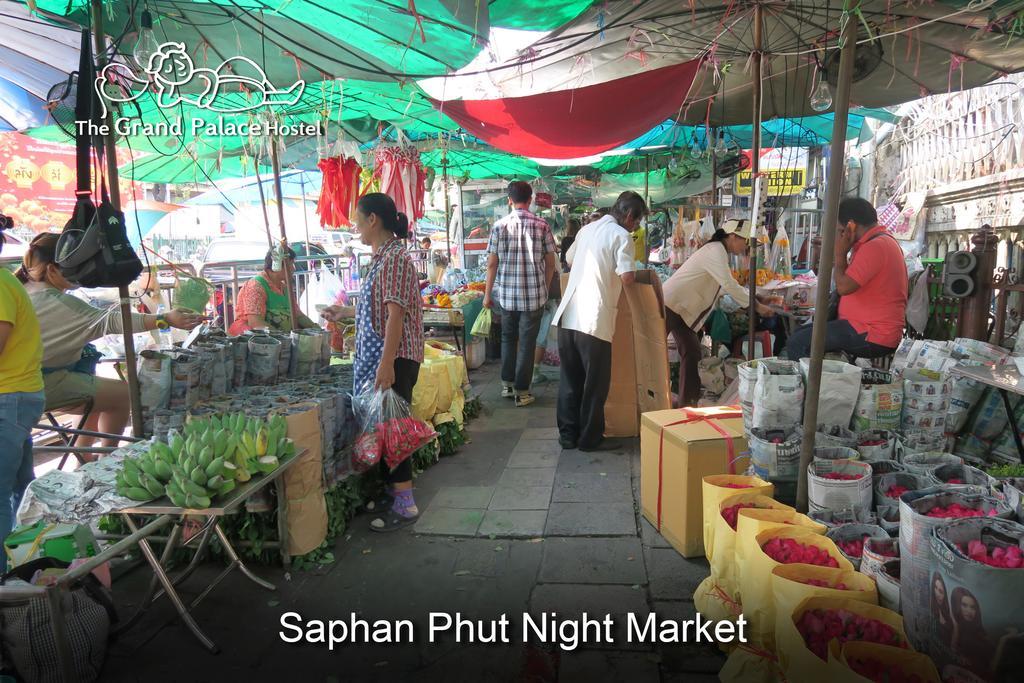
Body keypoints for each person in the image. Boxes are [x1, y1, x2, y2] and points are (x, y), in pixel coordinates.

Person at [17, 233, 205, 449]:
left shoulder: (23, 289)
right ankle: (107, 458)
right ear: (51, 270)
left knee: (95, 394)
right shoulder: (58, 302)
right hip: (38, 383)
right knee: (122, 394)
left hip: (29, 380)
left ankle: (83, 457)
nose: (81, 274)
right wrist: (165, 319)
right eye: (74, 268)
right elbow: (116, 322)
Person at [321, 193, 424, 531]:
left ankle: (405, 504)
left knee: (394, 430)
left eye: (357, 220)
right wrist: (345, 312)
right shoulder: (382, 257)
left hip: (393, 357)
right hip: (381, 356)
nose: (354, 227)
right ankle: (390, 494)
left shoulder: (394, 258)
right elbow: (379, 307)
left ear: (373, 220)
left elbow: (395, 315)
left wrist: (387, 363)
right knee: (382, 427)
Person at [553, 191, 647, 451]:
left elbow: (570, 259)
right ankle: (589, 439)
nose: (635, 227)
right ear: (629, 216)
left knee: (570, 379)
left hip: (568, 315)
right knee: (595, 383)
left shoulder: (588, 229)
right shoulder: (621, 236)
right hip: (593, 321)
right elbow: (628, 277)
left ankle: (568, 436)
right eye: (637, 222)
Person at [661, 219, 777, 407]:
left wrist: (759, 299)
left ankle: (687, 403)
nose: (745, 246)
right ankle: (655, 398)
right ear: (732, 236)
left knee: (692, 352)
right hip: (672, 305)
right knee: (657, 353)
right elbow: (729, 284)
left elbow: (723, 287)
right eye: (744, 241)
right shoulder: (715, 251)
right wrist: (756, 306)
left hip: (682, 310)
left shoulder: (718, 252)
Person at [785, 198, 908, 360]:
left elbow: (843, 286)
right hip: (861, 326)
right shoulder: (876, 243)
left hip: (873, 332)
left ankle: (809, 385)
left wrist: (840, 253)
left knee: (799, 342)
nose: (838, 234)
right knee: (801, 333)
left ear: (850, 226)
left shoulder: (876, 247)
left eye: (839, 229)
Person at [483, 181, 557, 407]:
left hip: (506, 297)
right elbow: (551, 263)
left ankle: (507, 384)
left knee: (508, 338)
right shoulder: (542, 225)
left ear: (509, 200)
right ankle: (523, 392)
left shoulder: (498, 227)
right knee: (527, 343)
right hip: (533, 297)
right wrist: (543, 288)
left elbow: (492, 264)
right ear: (531, 199)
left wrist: (487, 294)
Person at [0, 218, 44, 570]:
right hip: (16, 395)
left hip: (9, 397)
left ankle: (3, 578)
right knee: (20, 487)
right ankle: (25, 563)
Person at [228, 246, 319, 336]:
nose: (294, 269)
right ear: (277, 265)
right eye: (291, 264)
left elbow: (298, 315)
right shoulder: (255, 286)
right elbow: (256, 323)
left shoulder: (284, 288)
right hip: (255, 339)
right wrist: (284, 337)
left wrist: (315, 328)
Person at [951, 586, 995, 676]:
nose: (969, 611)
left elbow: (991, 665)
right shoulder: (955, 627)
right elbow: (952, 650)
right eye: (964, 605)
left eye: (972, 607)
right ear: (958, 605)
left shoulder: (980, 632)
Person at [932, 572, 954, 649]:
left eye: (941, 591)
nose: (937, 594)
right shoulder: (931, 606)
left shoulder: (949, 615)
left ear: (945, 595)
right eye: (935, 587)